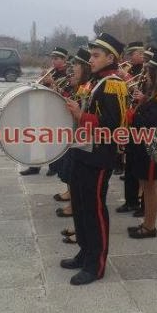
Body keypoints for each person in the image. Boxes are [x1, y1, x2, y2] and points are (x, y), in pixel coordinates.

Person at [61, 32, 127, 285]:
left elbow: (115, 124)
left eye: (96, 55)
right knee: (80, 205)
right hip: (83, 150)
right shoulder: (97, 81)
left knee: (94, 208)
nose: (91, 59)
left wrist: (81, 115)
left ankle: (96, 264)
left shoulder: (114, 84)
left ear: (111, 57)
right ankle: (85, 252)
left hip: (99, 157)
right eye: (91, 54)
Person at [125, 53, 157, 238]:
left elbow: (151, 121)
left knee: (151, 186)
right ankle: (146, 222)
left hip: (152, 146)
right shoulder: (155, 94)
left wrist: (132, 115)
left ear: (156, 74)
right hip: (143, 145)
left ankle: (150, 226)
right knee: (146, 185)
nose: (145, 75)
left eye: (148, 71)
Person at [56, 48, 92, 242]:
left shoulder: (91, 85)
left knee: (86, 193)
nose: (73, 68)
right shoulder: (83, 85)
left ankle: (82, 232)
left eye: (77, 64)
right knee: (76, 183)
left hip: (85, 143)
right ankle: (79, 228)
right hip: (76, 139)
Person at [20, 46, 69, 176]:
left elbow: (65, 94)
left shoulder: (68, 73)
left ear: (65, 59)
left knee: (53, 139)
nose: (53, 61)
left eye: (57, 58)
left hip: (56, 111)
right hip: (43, 107)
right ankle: (35, 166)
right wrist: (40, 82)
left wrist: (52, 83)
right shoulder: (51, 71)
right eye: (52, 58)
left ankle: (54, 167)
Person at [116, 41, 148, 213]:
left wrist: (126, 78)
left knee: (139, 167)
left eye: (133, 53)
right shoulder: (132, 69)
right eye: (140, 54)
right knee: (130, 164)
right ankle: (130, 200)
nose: (129, 57)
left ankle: (140, 200)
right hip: (130, 117)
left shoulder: (145, 74)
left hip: (141, 123)